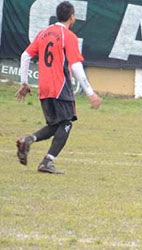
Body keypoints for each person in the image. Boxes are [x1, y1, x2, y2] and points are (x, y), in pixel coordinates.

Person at [15, 1, 102, 174]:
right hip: (60, 86)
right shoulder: (68, 36)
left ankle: (28, 139)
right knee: (67, 124)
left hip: (44, 88)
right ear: (72, 17)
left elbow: (25, 56)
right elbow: (76, 65)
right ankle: (47, 162)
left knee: (56, 126)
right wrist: (90, 93)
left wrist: (24, 82)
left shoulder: (43, 33)